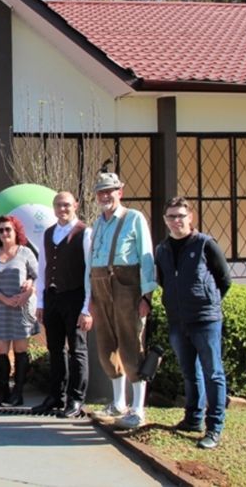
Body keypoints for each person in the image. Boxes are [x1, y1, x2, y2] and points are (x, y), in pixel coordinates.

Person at [155, 197, 231, 450]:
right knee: (189, 372)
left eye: (180, 216)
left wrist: (206, 301)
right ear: (165, 220)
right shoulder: (162, 249)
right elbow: (165, 281)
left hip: (205, 319)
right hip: (178, 320)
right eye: (171, 217)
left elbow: (224, 280)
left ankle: (214, 427)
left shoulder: (206, 245)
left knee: (213, 373)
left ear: (191, 217)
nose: (176, 221)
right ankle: (193, 419)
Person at [88, 169, 156, 430]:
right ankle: (119, 402)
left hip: (127, 288)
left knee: (130, 344)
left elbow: (146, 257)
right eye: (100, 192)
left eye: (109, 191)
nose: (105, 196)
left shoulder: (134, 218)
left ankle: (138, 409)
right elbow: (90, 264)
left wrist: (146, 297)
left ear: (120, 192)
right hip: (100, 288)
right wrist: (90, 297)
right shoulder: (98, 224)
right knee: (106, 346)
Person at [32, 191, 93, 418]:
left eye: (67, 204)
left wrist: (87, 308)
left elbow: (90, 272)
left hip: (75, 296)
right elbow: (42, 268)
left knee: (77, 349)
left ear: (75, 205)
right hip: (52, 297)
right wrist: (40, 301)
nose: (63, 209)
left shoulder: (84, 233)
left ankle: (76, 398)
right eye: (58, 205)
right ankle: (55, 395)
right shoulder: (48, 234)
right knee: (55, 349)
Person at [0, 215, 38, 407]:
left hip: (22, 308)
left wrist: (29, 288)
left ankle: (18, 393)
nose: (5, 233)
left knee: (20, 350)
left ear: (16, 232)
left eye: (8, 229)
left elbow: (37, 275)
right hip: (2, 307)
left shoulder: (26, 253)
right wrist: (4, 298)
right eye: (1, 230)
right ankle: (3, 392)